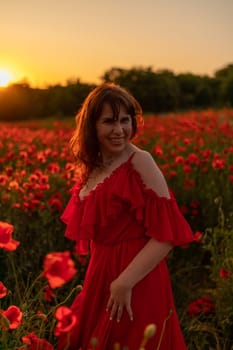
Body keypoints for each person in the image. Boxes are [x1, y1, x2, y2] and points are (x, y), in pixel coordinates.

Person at [58, 83, 194, 350]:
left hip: (137, 279)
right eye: (109, 121)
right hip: (100, 273)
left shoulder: (140, 161)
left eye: (125, 120)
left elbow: (165, 237)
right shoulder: (94, 165)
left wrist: (124, 282)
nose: (119, 130)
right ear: (92, 126)